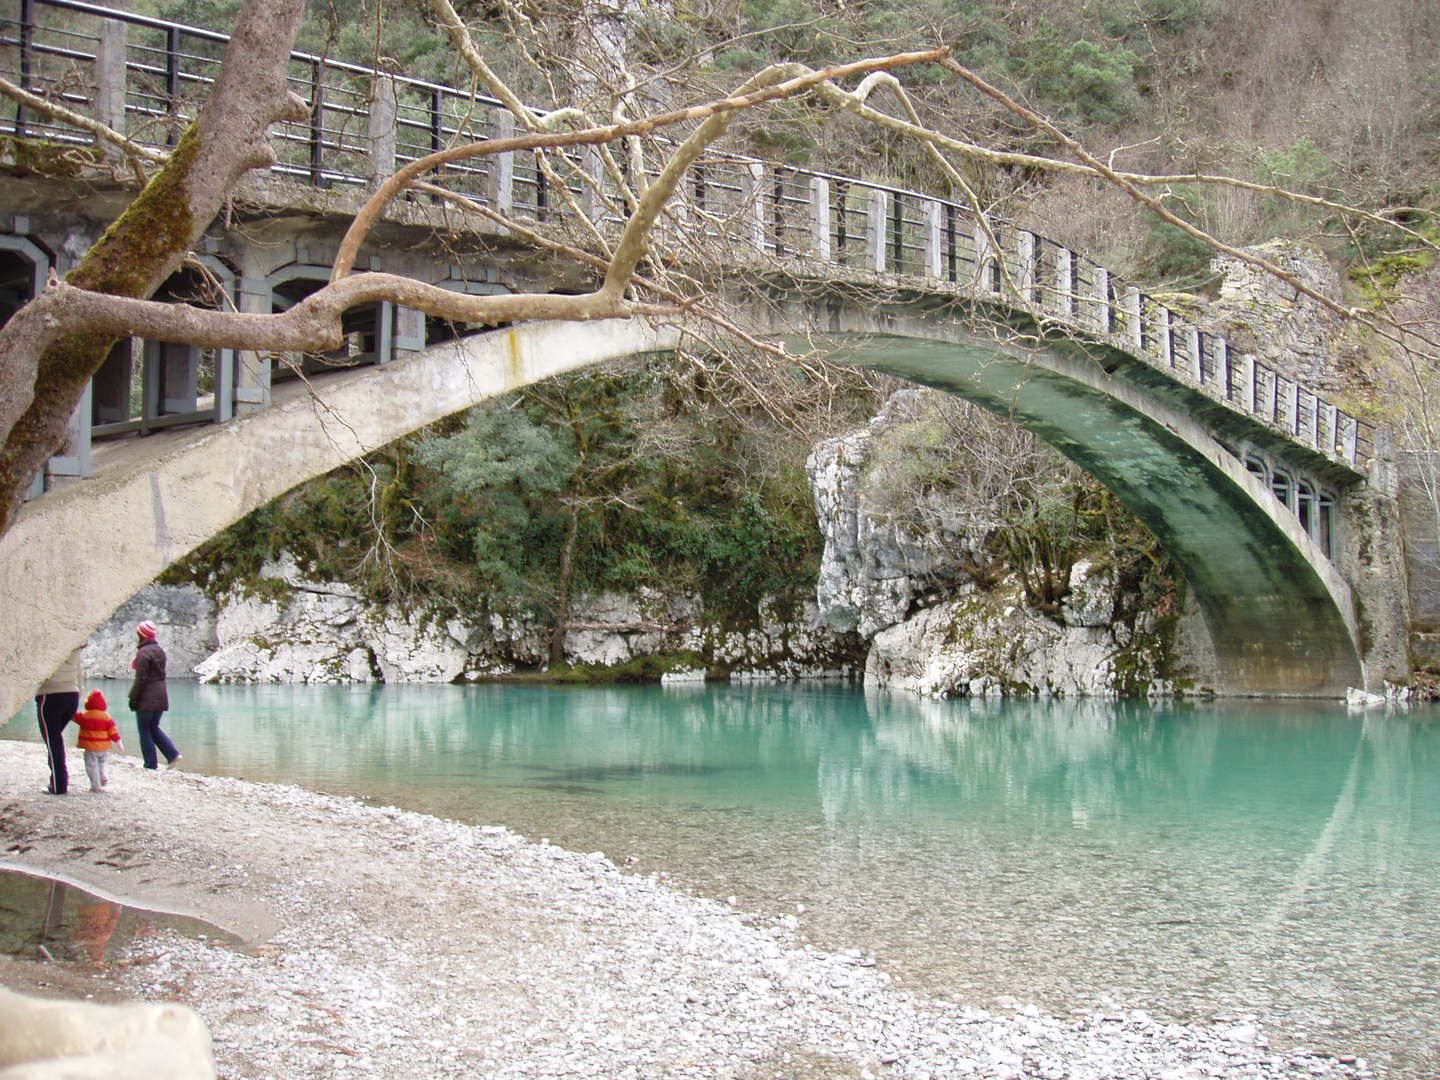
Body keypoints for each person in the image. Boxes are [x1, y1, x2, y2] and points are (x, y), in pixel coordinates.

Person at [129, 621, 180, 771]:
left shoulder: (143, 653)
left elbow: (141, 679)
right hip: (161, 695)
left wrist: (133, 697)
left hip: (147, 697)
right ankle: (172, 755)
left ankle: (150, 764)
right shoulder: (159, 650)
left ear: (141, 635)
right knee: (153, 727)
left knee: (144, 730)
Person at [35, 645, 83, 794]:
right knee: (54, 739)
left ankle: (58, 785)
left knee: (53, 741)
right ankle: (57, 780)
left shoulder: (48, 644)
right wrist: (79, 690)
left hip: (50, 695)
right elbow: (80, 671)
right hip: (72, 696)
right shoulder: (74, 647)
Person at [74, 689, 123, 793]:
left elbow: (72, 715)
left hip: (91, 748)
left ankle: (96, 786)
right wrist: (118, 742)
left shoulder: (84, 716)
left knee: (91, 765)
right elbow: (113, 731)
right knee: (101, 762)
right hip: (104, 748)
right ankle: (102, 776)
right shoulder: (107, 717)